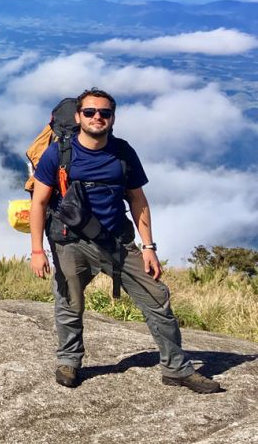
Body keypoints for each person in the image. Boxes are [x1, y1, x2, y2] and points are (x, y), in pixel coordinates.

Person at [29, 88, 223, 393]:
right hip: (70, 243)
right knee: (69, 303)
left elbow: (138, 200)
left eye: (104, 113)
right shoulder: (59, 153)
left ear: (112, 118)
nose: (98, 118)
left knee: (157, 298)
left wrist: (149, 247)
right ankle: (69, 361)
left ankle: (176, 368)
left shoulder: (122, 152)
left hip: (117, 241)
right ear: (78, 117)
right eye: (90, 112)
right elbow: (38, 203)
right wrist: (37, 250)